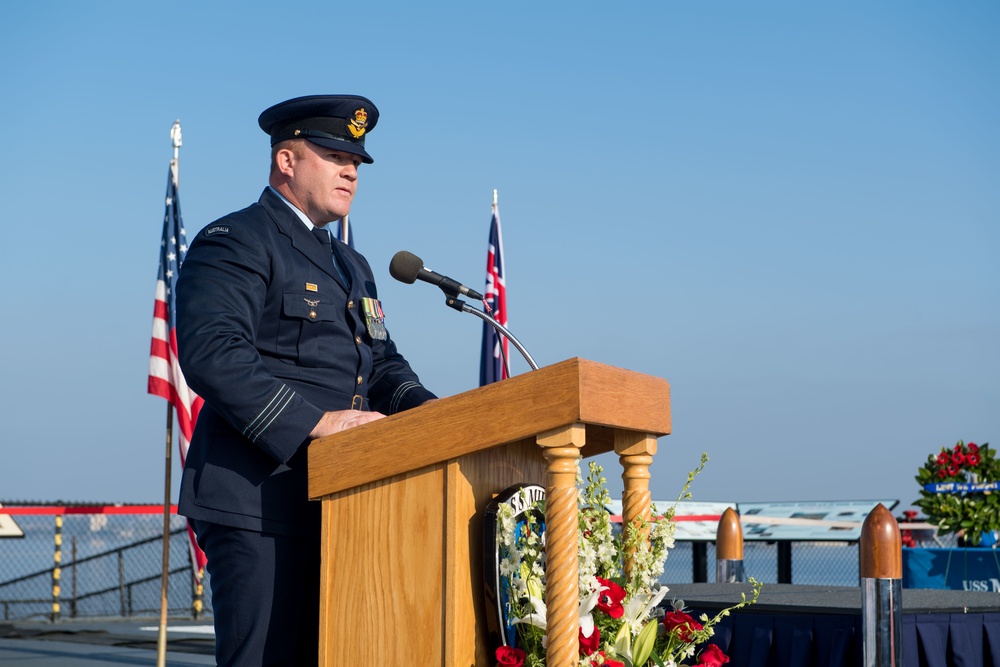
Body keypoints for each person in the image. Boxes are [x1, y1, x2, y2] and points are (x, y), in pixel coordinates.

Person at [175, 94, 437, 666]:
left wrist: (436, 418)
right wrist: (315, 423)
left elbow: (380, 363)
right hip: (260, 499)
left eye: (357, 162)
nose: (350, 170)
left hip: (345, 500)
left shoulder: (353, 265)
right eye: (334, 154)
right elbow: (211, 352)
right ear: (286, 161)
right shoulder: (236, 239)